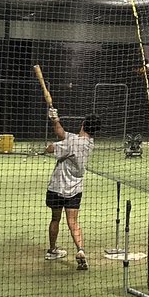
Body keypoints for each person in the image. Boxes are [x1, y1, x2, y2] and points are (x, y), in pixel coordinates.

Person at [44, 107, 100, 270]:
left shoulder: (73, 143)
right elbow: (63, 134)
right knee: (73, 222)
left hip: (57, 187)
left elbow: (53, 147)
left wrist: (48, 147)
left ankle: (52, 250)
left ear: (83, 124)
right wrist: (55, 120)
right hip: (74, 190)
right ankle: (81, 250)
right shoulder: (88, 143)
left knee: (55, 219)